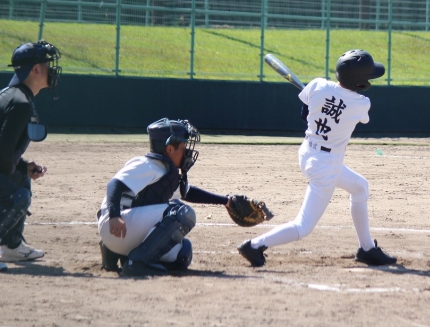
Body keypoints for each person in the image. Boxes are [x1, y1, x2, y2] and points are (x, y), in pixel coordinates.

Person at [238, 49, 397, 267]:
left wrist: (320, 104)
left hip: (308, 153)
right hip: (326, 166)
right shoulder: (362, 103)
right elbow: (343, 110)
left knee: (360, 187)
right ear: (359, 82)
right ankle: (255, 245)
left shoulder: (317, 85)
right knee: (303, 226)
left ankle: (367, 249)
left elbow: (305, 110)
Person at [98, 117, 233, 277]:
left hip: (124, 233)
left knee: (182, 254)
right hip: (116, 224)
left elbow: (187, 192)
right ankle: (138, 263)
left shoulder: (165, 170)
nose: (187, 152)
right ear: (169, 149)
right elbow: (114, 185)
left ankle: (116, 254)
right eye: (183, 146)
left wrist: (226, 201)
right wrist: (115, 216)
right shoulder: (146, 164)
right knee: (183, 213)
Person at [0, 40, 61, 272]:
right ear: (35, 69)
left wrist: (23, 167)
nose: (52, 70)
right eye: (47, 64)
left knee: (21, 179)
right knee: (18, 196)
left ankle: (12, 245)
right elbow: (3, 155)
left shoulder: (14, 96)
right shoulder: (20, 103)